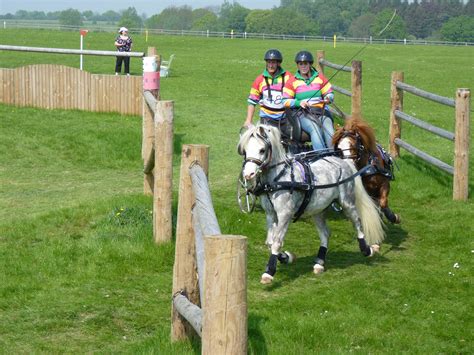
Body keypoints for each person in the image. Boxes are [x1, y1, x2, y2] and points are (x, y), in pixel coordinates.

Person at [283, 50, 335, 151]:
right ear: (297, 65)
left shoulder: (320, 78)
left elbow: (329, 93)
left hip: (321, 112)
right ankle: (321, 157)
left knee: (329, 128)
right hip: (303, 114)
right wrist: (299, 102)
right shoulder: (292, 81)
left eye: (305, 64)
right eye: (300, 64)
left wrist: (329, 98)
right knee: (314, 128)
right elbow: (284, 101)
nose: (303, 66)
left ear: (310, 64)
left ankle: (333, 154)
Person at [244, 49, 293, 130]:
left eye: (273, 62)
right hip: (267, 119)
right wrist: (248, 120)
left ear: (278, 63)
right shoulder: (260, 79)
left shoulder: (288, 77)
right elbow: (252, 101)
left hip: (285, 119)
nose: (270, 65)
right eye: (268, 62)